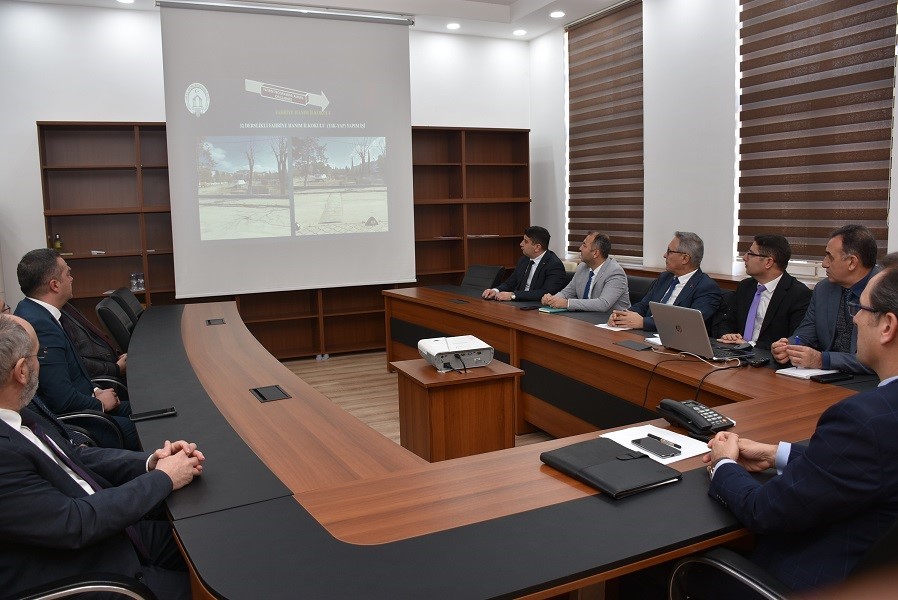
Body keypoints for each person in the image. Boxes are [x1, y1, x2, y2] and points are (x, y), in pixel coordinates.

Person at [703, 264, 898, 592]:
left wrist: (723, 462)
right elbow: (866, 468)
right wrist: (776, 453)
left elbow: (763, 511)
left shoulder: (863, 418)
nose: (854, 319)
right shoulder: (874, 424)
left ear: (887, 326)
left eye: (860, 308)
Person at [0, 314, 204, 599]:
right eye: (39, 355)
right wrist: (164, 478)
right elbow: (75, 523)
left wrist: (150, 462)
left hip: (119, 532)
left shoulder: (16, 413)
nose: (41, 363)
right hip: (95, 572)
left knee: (214, 542)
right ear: (22, 371)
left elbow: (75, 458)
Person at [14, 248, 138, 449]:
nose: (72, 278)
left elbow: (72, 374)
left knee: (149, 411)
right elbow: (60, 398)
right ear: (54, 285)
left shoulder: (37, 312)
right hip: (82, 421)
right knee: (147, 426)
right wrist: (99, 403)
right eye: (67, 274)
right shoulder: (40, 325)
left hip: (88, 402)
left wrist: (96, 391)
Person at [770, 224, 879, 374]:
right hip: (825, 377)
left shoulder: (886, 292)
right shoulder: (823, 289)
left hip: (871, 383)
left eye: (830, 257)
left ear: (852, 262)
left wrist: (823, 360)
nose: (824, 263)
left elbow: (877, 361)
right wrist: (788, 346)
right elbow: (806, 333)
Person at [608, 231, 722, 331]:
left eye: (669, 251)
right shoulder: (665, 278)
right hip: (645, 335)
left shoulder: (706, 287)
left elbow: (688, 323)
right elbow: (644, 306)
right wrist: (622, 315)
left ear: (685, 258)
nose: (664, 255)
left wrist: (643, 322)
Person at [717, 234, 812, 349]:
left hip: (769, 359)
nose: (744, 257)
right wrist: (728, 335)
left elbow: (794, 341)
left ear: (768, 262)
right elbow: (726, 320)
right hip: (736, 353)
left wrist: (749, 345)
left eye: (750, 254)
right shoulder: (745, 286)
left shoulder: (798, 294)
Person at [541, 231, 630, 312]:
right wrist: (552, 299)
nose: (580, 248)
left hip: (610, 322)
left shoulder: (615, 272)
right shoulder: (582, 267)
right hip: (585, 317)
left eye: (584, 245)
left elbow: (603, 304)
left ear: (595, 253)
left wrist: (567, 303)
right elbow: (567, 292)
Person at [482, 226, 567, 302]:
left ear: (537, 247)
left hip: (536, 308)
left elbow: (546, 293)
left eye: (525, 241)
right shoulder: (524, 260)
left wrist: (513, 295)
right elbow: (510, 283)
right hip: (518, 303)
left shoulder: (554, 265)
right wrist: (496, 290)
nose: (521, 244)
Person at [61, 302, 127, 379]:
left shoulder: (66, 307)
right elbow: (76, 362)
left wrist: (120, 357)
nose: (72, 288)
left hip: (114, 364)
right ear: (55, 288)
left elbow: (96, 340)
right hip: (105, 381)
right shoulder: (53, 319)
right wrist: (116, 368)